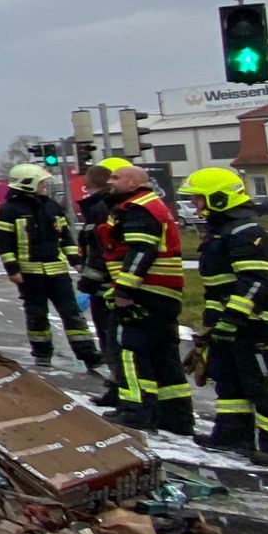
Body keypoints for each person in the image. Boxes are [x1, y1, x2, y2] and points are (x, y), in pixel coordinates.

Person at [184, 167, 268, 463]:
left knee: (264, 384)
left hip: (260, 325)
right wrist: (211, 327)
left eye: (199, 199)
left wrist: (232, 319)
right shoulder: (220, 233)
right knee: (229, 381)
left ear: (219, 199)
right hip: (231, 326)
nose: (196, 205)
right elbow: (215, 288)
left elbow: (255, 282)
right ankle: (232, 436)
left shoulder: (246, 232)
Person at [101, 164, 191, 437]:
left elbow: (141, 251)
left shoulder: (139, 208)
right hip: (163, 293)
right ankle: (176, 416)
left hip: (145, 293)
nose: (110, 182)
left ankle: (136, 410)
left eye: (116, 177)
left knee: (128, 349)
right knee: (164, 355)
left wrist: (124, 291)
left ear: (134, 183)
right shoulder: (151, 205)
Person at [0, 163, 99, 371]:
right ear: (28, 183)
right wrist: (12, 269)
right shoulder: (9, 210)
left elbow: (65, 238)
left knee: (71, 313)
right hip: (29, 273)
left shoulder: (51, 206)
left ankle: (88, 354)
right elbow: (4, 243)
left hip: (57, 271)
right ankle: (42, 353)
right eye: (41, 182)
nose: (44, 185)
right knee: (36, 315)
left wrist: (76, 262)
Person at [76, 158, 131, 407]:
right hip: (109, 285)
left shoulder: (101, 209)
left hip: (108, 287)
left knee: (113, 339)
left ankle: (121, 389)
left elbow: (101, 250)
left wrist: (89, 280)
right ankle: (118, 387)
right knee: (110, 338)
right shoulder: (101, 207)